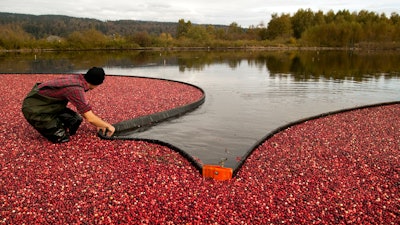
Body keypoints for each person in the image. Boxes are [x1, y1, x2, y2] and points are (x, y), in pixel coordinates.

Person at [22, 67, 115, 143]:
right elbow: (89, 117)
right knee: (62, 138)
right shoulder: (75, 89)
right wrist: (107, 126)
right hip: (35, 109)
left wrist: (99, 123)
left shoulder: (78, 78)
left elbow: (84, 110)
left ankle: (57, 125)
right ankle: (54, 128)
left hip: (50, 105)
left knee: (75, 120)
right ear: (97, 83)